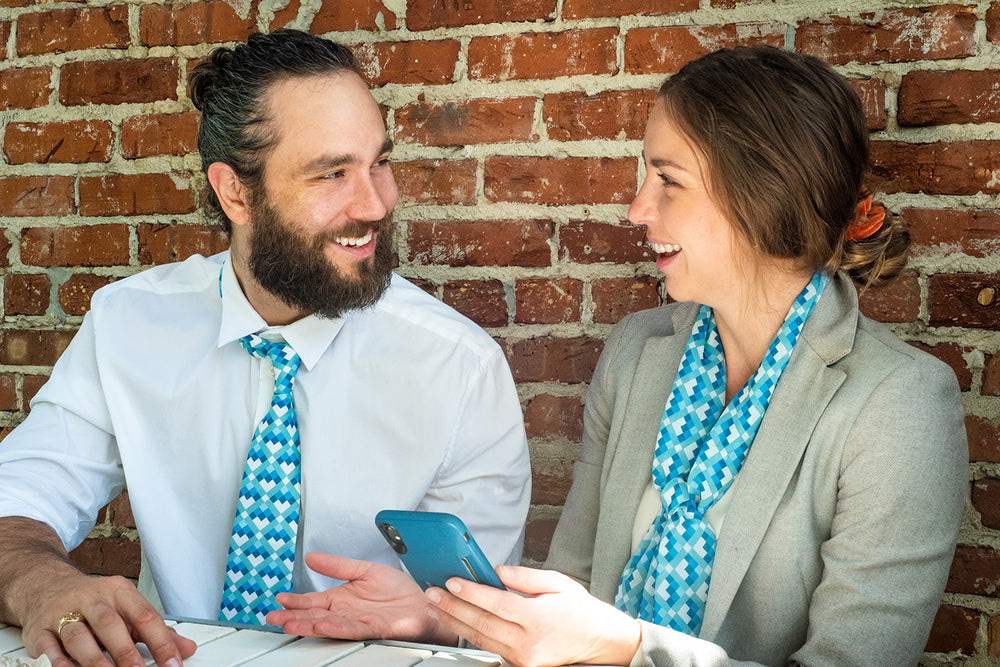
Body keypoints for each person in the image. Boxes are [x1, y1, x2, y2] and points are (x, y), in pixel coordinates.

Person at [422, 46, 968, 666]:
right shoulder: (635, 352)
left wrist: (628, 649)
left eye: (669, 180)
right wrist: (437, 615)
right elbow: (569, 590)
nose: (637, 210)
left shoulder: (898, 404)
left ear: (763, 195)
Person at [0, 29, 530, 667]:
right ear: (235, 192)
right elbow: (19, 496)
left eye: (380, 162)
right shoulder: (129, 325)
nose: (376, 203)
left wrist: (436, 619)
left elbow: (486, 622)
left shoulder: (460, 368)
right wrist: (40, 584)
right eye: (332, 173)